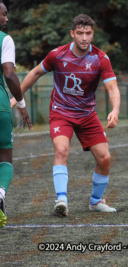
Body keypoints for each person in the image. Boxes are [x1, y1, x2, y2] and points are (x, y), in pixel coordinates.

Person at [10, 14, 120, 216]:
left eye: (88, 33)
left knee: (105, 159)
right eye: (80, 33)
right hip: (61, 112)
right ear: (73, 34)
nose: (84, 38)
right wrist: (16, 98)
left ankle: (95, 202)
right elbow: (34, 73)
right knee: (61, 150)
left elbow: (112, 88)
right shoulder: (57, 55)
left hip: (87, 114)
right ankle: (61, 199)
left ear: (92, 34)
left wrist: (115, 109)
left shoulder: (100, 58)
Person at [0, 1, 32, 227]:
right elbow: (10, 75)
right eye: (3, 14)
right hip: (0, 106)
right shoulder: (5, 39)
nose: (6, 19)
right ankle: (0, 193)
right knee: (5, 159)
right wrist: (20, 102)